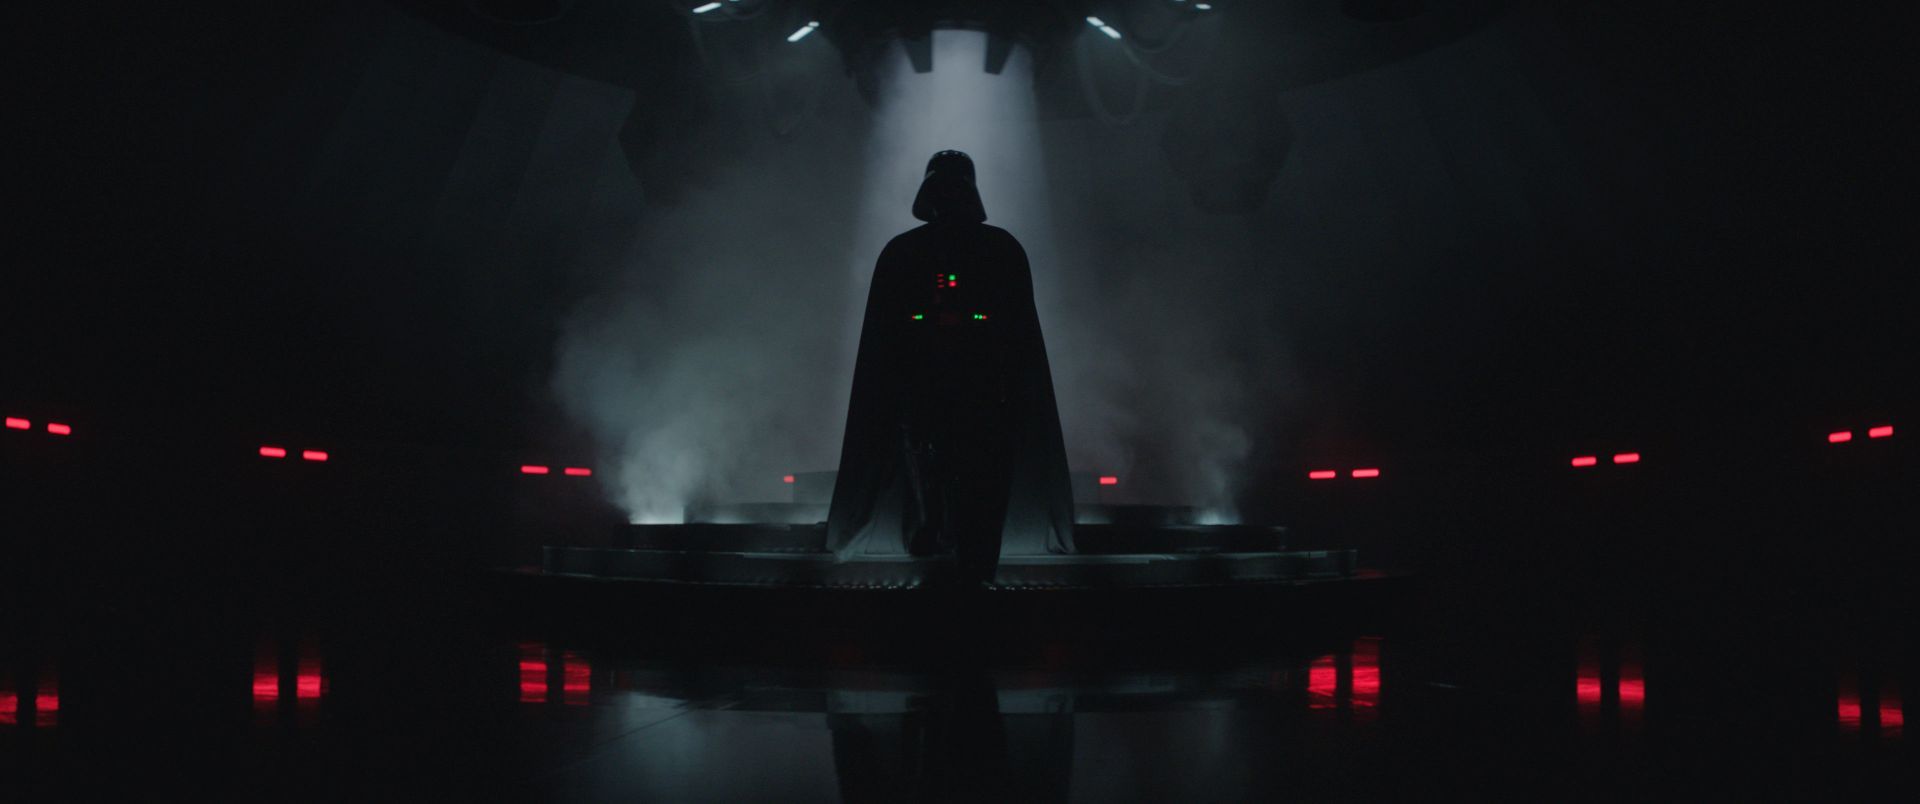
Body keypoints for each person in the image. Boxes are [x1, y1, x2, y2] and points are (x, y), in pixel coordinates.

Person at [827, 150, 1075, 586]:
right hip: (935, 391)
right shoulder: (940, 251)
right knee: (937, 472)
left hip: (978, 392)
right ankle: (948, 552)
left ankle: (966, 565)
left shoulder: (979, 250)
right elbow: (890, 333)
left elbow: (1014, 331)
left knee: (975, 480)